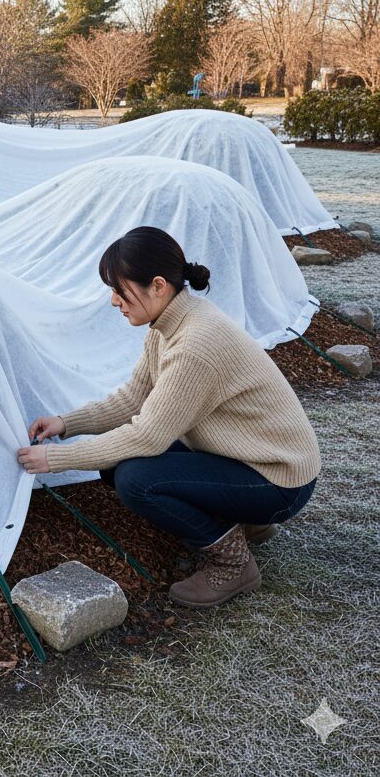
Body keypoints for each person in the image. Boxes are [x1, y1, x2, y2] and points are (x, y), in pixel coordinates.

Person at [17, 226, 321, 608]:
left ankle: (232, 563)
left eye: (120, 289)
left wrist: (55, 459)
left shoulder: (195, 344)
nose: (113, 301)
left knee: (136, 479)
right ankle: (244, 522)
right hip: (250, 459)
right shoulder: (170, 324)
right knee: (118, 463)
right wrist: (66, 423)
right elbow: (133, 400)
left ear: (158, 286)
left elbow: (147, 436)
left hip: (279, 480)